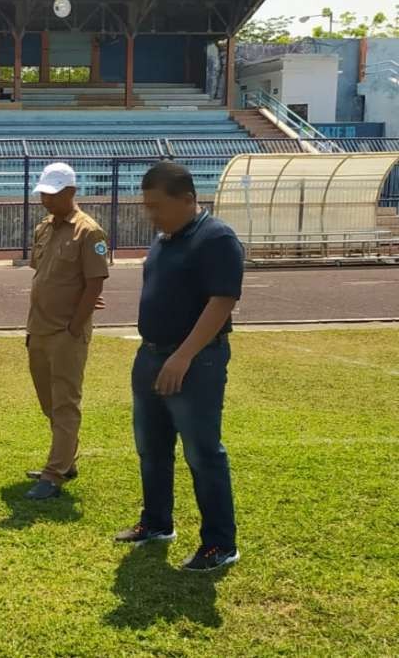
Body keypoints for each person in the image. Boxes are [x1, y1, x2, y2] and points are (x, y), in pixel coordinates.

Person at [114, 161, 243, 572]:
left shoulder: (216, 238)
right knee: (151, 447)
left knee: (203, 452)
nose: (151, 214)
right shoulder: (165, 239)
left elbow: (222, 300)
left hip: (195, 362)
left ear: (188, 200)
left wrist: (183, 355)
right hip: (151, 355)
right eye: (146, 206)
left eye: (157, 205)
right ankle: (156, 522)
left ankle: (219, 544)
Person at [23, 163, 109, 500]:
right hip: (39, 329)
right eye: (43, 192)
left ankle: (54, 473)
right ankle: (67, 458)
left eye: (53, 193)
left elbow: (95, 283)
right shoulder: (44, 228)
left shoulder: (89, 233)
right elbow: (43, 276)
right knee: (48, 401)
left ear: (71, 192)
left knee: (65, 404)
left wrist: (75, 326)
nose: (46, 199)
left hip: (65, 334)